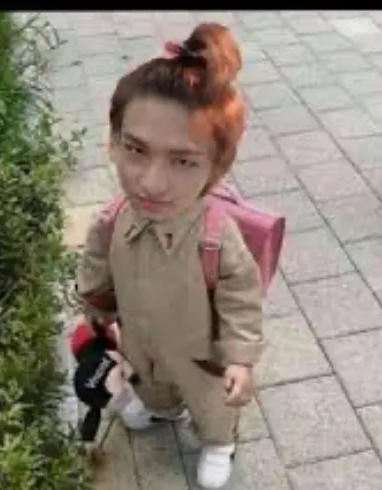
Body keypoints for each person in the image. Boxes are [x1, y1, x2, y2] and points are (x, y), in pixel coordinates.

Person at [76, 22, 265, 489]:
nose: (152, 182)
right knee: (151, 385)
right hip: (140, 340)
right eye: (135, 150)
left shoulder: (217, 237)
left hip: (201, 353)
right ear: (113, 143)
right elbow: (96, 269)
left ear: (216, 167)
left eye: (183, 161)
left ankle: (218, 442)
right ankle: (161, 409)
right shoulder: (113, 219)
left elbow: (242, 300)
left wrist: (240, 358)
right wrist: (95, 317)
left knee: (211, 403)